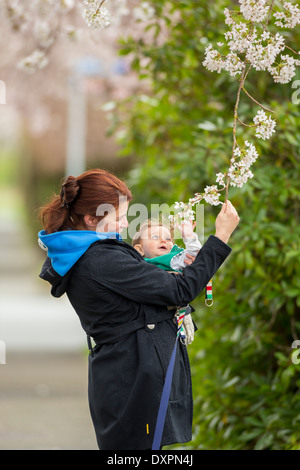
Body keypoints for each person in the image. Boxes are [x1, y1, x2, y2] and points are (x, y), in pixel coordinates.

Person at [38, 168, 239, 450]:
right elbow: (180, 290)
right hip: (134, 383)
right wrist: (220, 238)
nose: (124, 224)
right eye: (118, 217)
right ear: (90, 219)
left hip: (125, 377)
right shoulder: (101, 260)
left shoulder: (90, 254)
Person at [132, 219, 202, 344]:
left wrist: (189, 237)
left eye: (168, 239)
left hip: (171, 317)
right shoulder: (135, 268)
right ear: (140, 250)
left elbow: (196, 256)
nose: (163, 240)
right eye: (155, 237)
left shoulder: (174, 260)